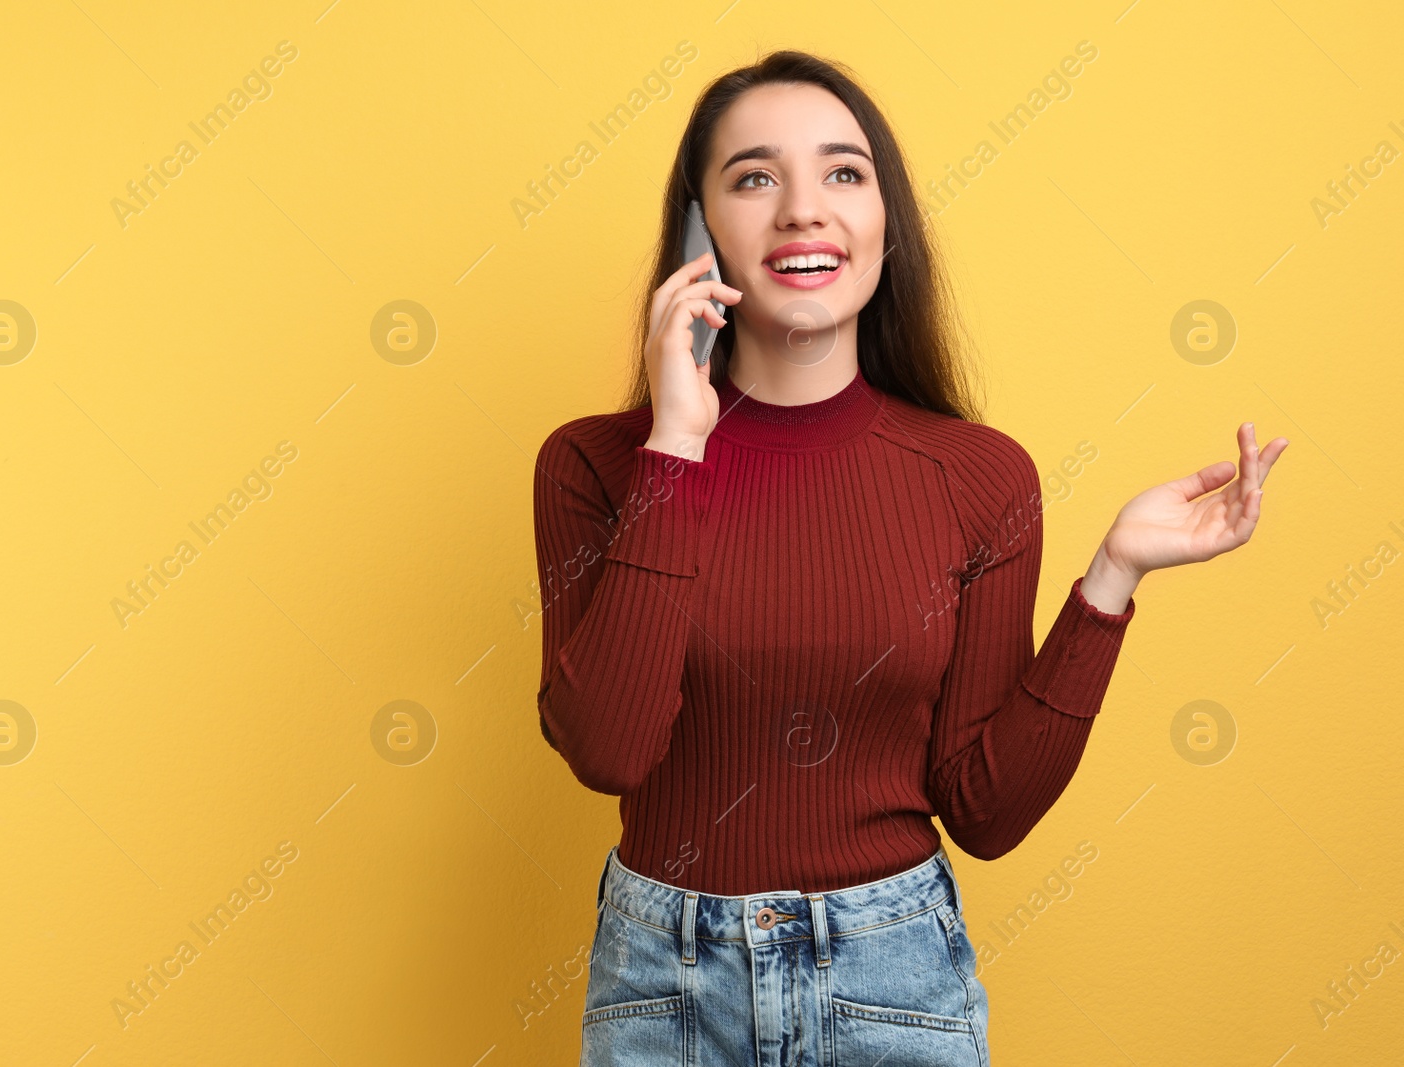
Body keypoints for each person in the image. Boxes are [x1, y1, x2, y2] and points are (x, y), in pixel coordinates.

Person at [532, 50, 1286, 1067]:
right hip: (664, 985)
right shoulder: (595, 464)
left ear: (888, 226)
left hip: (891, 980)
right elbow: (608, 750)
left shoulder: (980, 477)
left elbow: (982, 807)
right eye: (755, 178)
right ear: (697, 234)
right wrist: (677, 442)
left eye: (843, 173)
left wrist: (1113, 576)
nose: (804, 208)